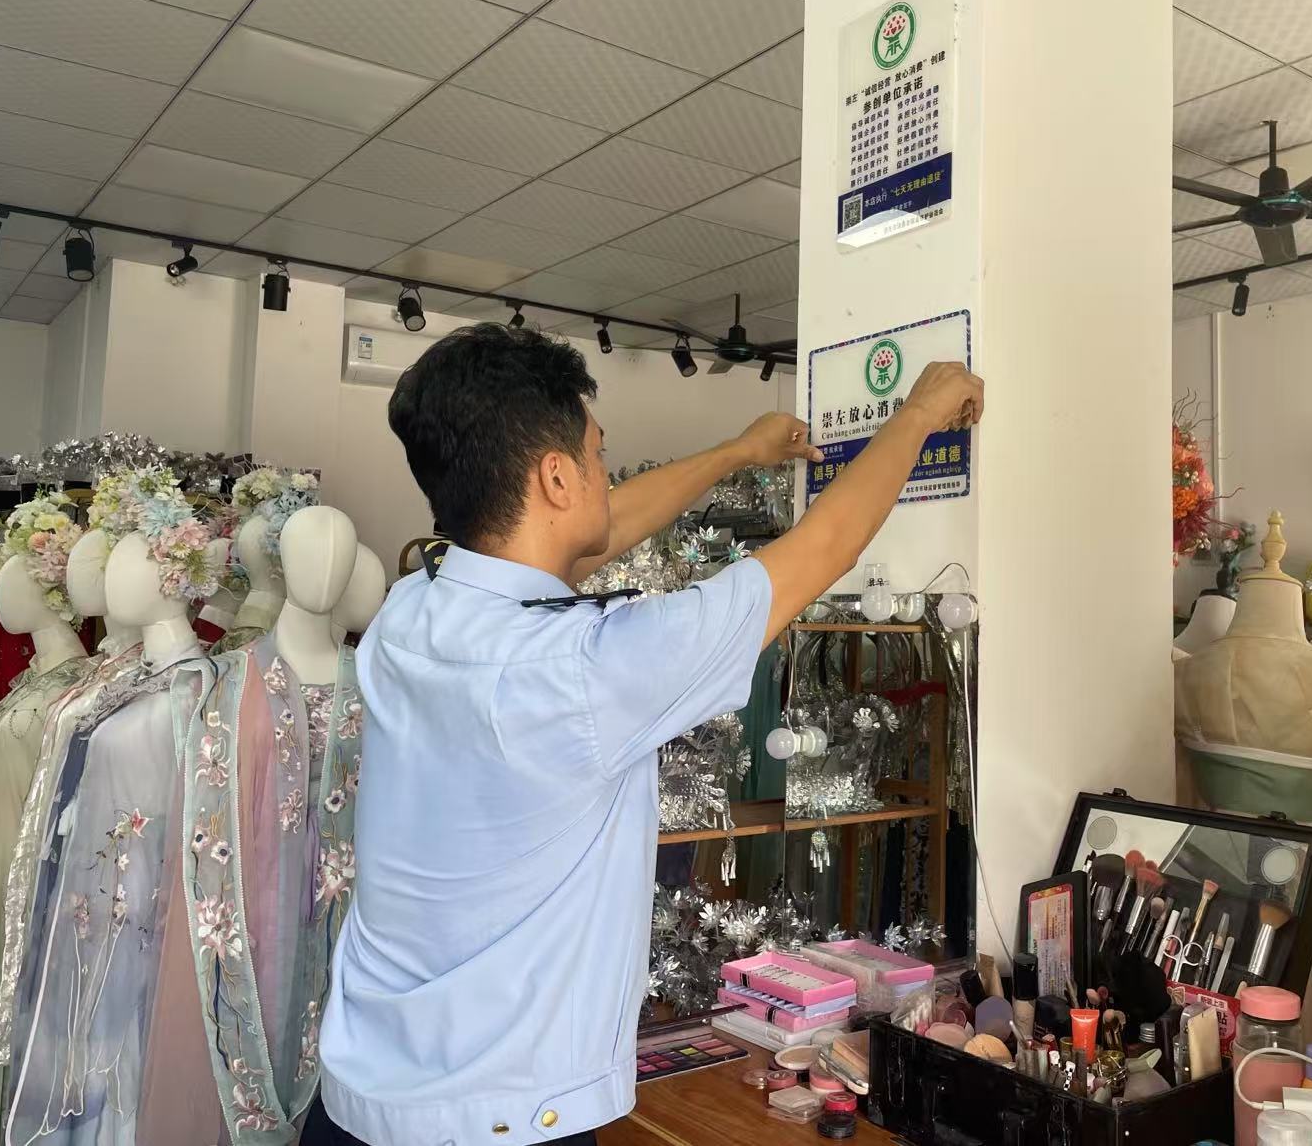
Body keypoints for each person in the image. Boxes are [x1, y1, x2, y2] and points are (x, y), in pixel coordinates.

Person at [315, 324, 985, 1146]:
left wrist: (736, 453)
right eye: (598, 454)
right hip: (497, 1121)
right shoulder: (583, 668)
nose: (607, 473)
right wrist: (919, 413)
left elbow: (594, 534)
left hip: (356, 1104)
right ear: (556, 476)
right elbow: (824, 547)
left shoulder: (413, 609)